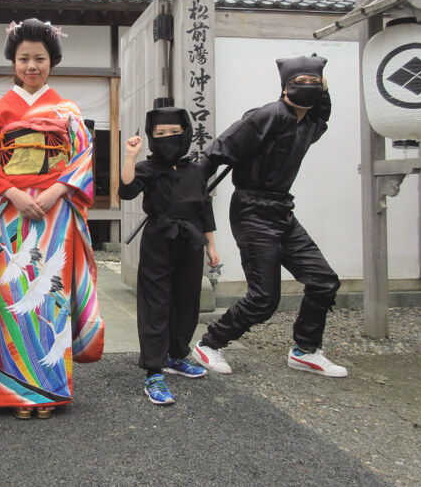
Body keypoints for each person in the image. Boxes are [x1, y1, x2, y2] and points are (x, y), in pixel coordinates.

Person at [0, 19, 105, 419]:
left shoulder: (67, 109)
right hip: (9, 210)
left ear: (52, 62)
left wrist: (54, 192)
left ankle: (47, 391)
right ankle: (12, 392)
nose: (32, 66)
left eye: (40, 58)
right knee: (9, 293)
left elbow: (83, 156)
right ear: (13, 61)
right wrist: (11, 192)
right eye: (24, 58)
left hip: (54, 210)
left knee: (50, 291)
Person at [192, 54, 348, 377]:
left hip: (281, 210)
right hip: (251, 210)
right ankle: (209, 344)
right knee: (264, 299)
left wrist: (325, 91)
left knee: (323, 281)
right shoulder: (267, 115)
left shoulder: (310, 124)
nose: (307, 88)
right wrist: (191, 193)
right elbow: (217, 150)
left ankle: (305, 349)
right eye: (299, 83)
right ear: (285, 88)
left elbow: (323, 112)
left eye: (314, 83)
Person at [118, 102, 219, 405]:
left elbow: (204, 208)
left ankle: (177, 355)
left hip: (190, 240)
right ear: (151, 136)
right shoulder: (148, 168)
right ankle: (153, 370)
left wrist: (211, 245)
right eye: (160, 133)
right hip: (159, 239)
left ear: (186, 133)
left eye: (175, 132)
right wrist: (130, 157)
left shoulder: (197, 170)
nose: (168, 137)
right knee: (156, 303)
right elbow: (126, 190)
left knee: (187, 300)